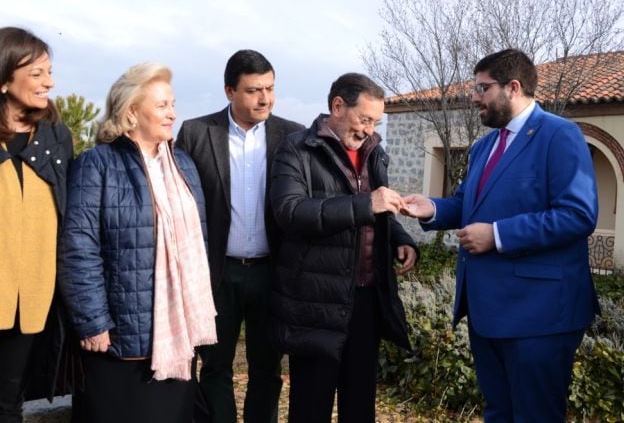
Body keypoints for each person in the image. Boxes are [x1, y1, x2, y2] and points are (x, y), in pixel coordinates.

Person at [402, 48, 598, 422]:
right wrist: (431, 208)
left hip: (539, 315)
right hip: (486, 311)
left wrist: (497, 235)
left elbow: (577, 215)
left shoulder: (560, 136)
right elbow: (465, 205)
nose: (473, 96)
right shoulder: (483, 148)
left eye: (482, 87)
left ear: (513, 87)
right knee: (499, 413)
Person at [58, 62, 217, 423]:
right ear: (131, 111)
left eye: (173, 104)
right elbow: (79, 248)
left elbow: (197, 246)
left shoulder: (183, 166)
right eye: (161, 105)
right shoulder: (97, 164)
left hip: (176, 337)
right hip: (117, 341)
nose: (172, 113)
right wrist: (92, 322)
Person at [269, 72, 418, 423]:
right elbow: (290, 212)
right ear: (337, 106)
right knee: (310, 408)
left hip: (367, 300)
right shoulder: (297, 149)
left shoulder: (374, 152)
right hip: (315, 301)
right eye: (364, 119)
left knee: (360, 406)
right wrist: (366, 204)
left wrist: (400, 238)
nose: (368, 129)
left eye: (375, 122)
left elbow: (379, 212)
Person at [176, 49, 303, 423]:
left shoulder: (293, 136)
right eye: (253, 90)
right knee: (215, 367)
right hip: (217, 272)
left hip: (272, 272)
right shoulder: (197, 133)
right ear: (230, 90)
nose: (264, 98)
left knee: (267, 369)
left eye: (269, 88)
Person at [0, 27, 73, 423]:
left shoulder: (56, 138)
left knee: (9, 401)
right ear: (4, 77)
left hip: (31, 299)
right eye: (37, 73)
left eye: (50, 72)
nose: (49, 82)